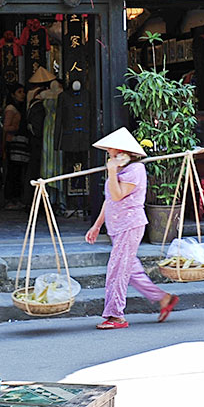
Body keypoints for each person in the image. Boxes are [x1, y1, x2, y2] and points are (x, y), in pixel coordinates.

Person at [85, 128, 178, 330]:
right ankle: (164, 298)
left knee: (117, 270)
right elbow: (110, 199)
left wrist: (111, 171)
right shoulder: (120, 169)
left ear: (121, 151)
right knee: (131, 269)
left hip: (129, 225)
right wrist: (97, 225)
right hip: (116, 226)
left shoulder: (135, 170)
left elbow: (118, 195)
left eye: (110, 149)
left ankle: (116, 316)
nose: (108, 152)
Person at [2, 84, 29, 210]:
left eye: (23, 92)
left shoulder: (18, 108)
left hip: (18, 142)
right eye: (19, 92)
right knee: (13, 172)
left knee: (17, 172)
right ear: (13, 94)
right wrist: (18, 128)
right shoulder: (11, 108)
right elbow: (6, 127)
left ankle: (15, 198)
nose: (22, 94)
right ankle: (10, 199)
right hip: (13, 142)